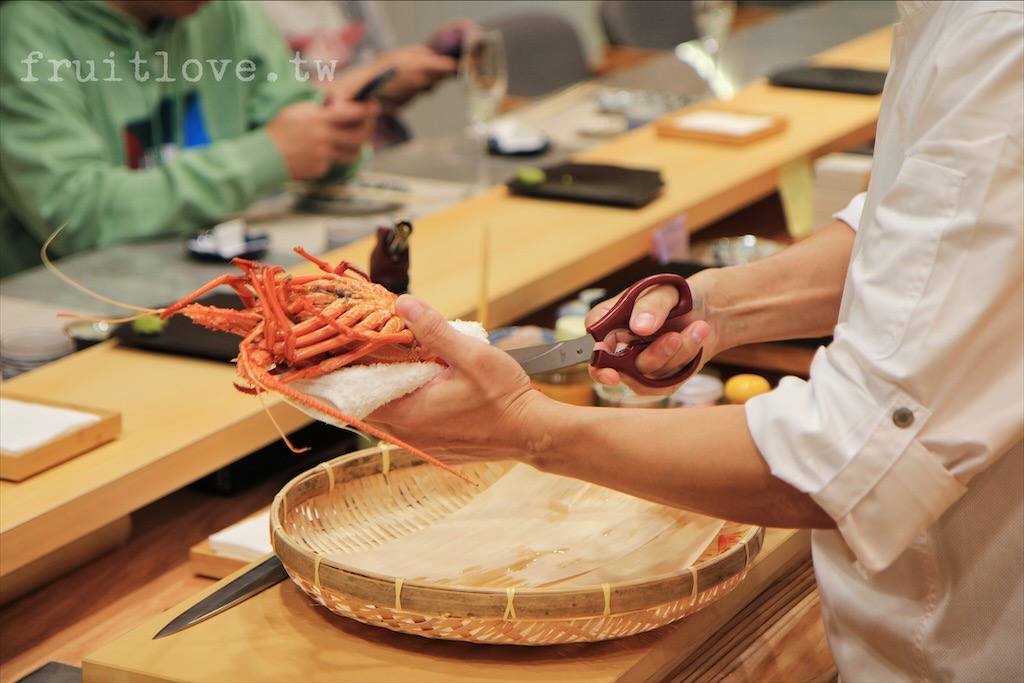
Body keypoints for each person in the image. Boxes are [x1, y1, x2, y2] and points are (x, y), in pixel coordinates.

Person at [368, 1, 1023, 680]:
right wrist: (719, 305)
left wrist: (526, 429)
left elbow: (848, 455)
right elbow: (916, 235)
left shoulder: (1004, 39)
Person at [0, 0, 378, 279]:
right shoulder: (24, 30)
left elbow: (290, 117)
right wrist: (268, 156)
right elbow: (76, 215)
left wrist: (334, 138)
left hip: (204, 276)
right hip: (66, 302)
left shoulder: (220, 11)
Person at [259, 1, 474, 148]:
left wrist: (421, 64)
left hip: (386, 152)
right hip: (307, 175)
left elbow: (380, 85)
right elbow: (266, 116)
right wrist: (368, 77)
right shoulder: (247, 12)